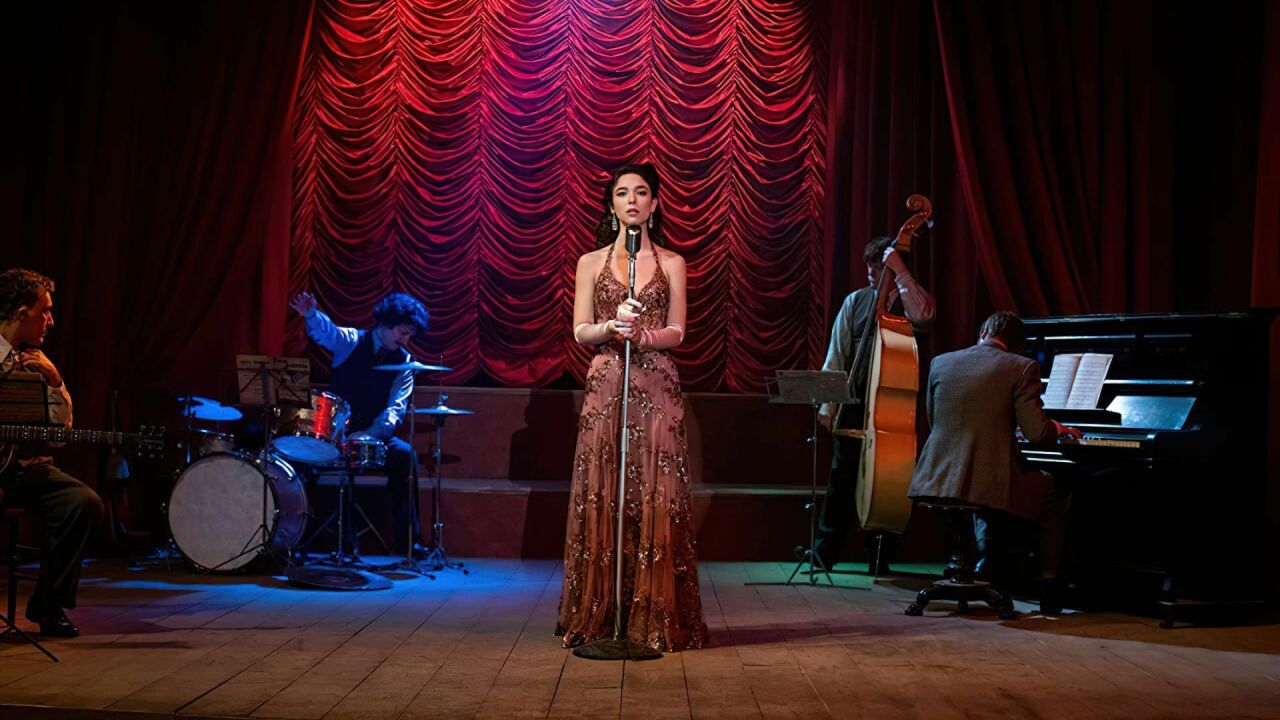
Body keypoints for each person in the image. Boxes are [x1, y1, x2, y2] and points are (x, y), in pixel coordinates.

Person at [556, 163, 708, 652]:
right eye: (622, 193)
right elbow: (581, 329)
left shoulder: (673, 262)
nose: (632, 200)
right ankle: (603, 615)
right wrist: (609, 328)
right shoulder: (589, 262)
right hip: (607, 381)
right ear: (611, 205)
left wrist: (643, 336)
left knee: (656, 493)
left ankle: (654, 616)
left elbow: (678, 331)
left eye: (641, 192)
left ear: (655, 203)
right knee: (605, 490)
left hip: (656, 382)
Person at [907, 311, 1081, 613]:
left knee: (982, 487)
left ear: (985, 331)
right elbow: (1037, 434)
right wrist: (1056, 427)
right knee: (1056, 489)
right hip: (984, 481)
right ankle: (1049, 587)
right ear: (1017, 345)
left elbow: (934, 420)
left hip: (936, 476)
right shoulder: (1022, 367)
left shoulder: (941, 362)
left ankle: (987, 564)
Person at [811, 236, 935, 572]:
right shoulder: (856, 301)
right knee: (841, 477)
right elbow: (837, 354)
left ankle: (880, 556)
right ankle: (825, 552)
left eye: (878, 267)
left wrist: (900, 271)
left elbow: (924, 316)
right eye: (870, 266)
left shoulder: (911, 300)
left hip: (896, 406)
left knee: (889, 482)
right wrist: (829, 405)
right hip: (855, 400)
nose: (870, 273)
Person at [0, 269, 105, 638]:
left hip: (15, 468)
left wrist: (54, 381)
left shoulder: (36, 360)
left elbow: (60, 435)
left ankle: (49, 605)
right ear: (20, 312)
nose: (51, 320)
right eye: (44, 311)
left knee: (81, 502)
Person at [289, 291, 428, 553]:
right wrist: (311, 314)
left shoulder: (406, 364)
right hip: (334, 433)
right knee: (299, 458)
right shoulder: (351, 341)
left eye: (409, 335)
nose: (406, 340)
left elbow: (394, 410)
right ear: (386, 323)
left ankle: (409, 542)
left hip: (374, 437)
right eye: (403, 332)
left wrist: (369, 435)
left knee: (404, 455)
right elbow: (327, 333)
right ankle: (298, 538)